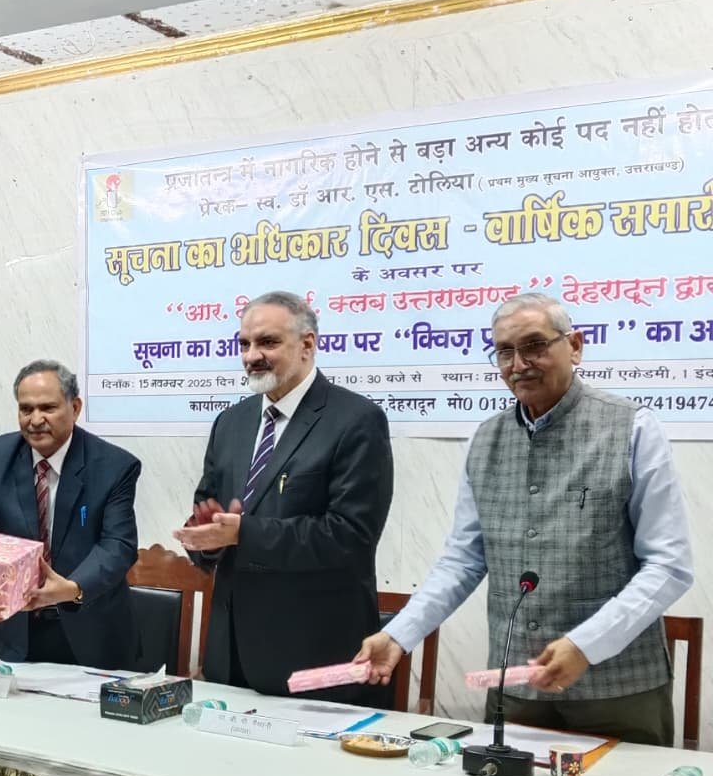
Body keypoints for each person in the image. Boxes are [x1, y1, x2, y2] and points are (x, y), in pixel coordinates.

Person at [356, 292, 694, 745]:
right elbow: (463, 560)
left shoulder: (631, 428)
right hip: (516, 688)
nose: (518, 364)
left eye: (534, 345)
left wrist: (587, 644)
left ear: (575, 346)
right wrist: (398, 635)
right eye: (505, 352)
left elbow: (669, 566)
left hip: (618, 692)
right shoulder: (486, 439)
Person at [175, 291, 393, 701]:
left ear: (307, 345)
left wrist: (243, 533)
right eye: (244, 344)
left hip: (313, 655)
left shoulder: (356, 420)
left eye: (267, 342)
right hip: (231, 654)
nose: (251, 356)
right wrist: (206, 540)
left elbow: (351, 536)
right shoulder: (231, 422)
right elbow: (210, 511)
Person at [0, 360, 141, 669]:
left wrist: (72, 589)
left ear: (75, 407)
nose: (35, 420)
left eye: (48, 408)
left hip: (91, 629)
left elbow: (118, 545)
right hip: (16, 629)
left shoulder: (114, 466)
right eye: (26, 409)